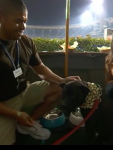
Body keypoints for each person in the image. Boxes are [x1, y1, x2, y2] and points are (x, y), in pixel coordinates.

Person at [0, 0, 81, 145]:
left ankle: (26, 125)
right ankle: (19, 120)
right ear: (1, 17)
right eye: (18, 21)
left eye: (25, 21)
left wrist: (62, 81)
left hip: (24, 92)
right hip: (4, 105)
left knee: (60, 88)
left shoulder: (26, 42)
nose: (23, 27)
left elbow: (40, 68)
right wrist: (16, 114)